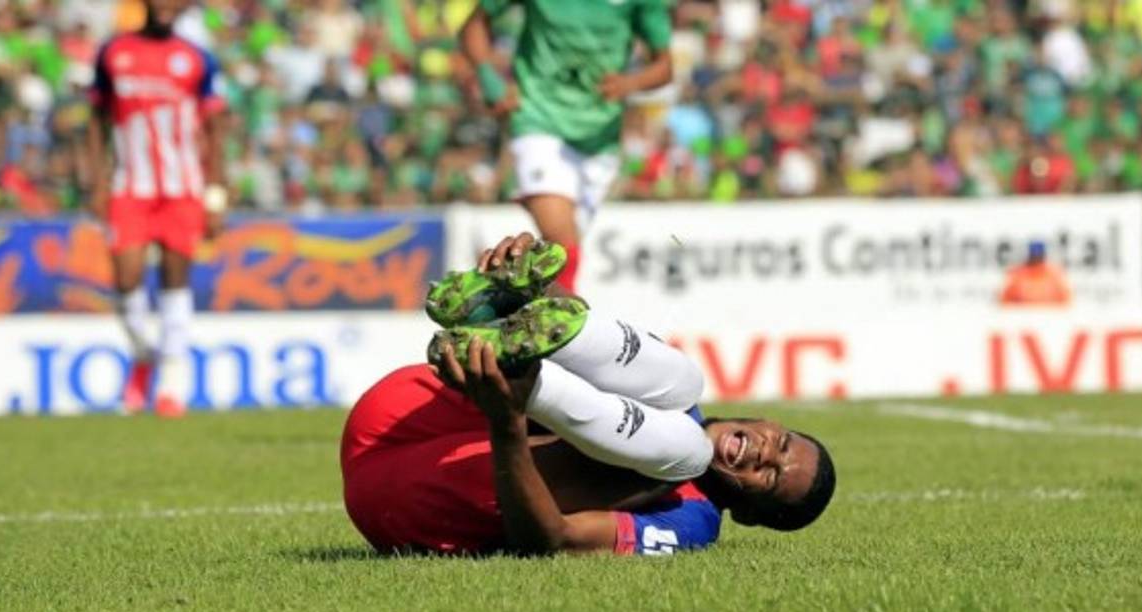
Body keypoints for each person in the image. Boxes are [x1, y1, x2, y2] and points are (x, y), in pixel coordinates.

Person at [340, 233, 836, 555]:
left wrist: (508, 425)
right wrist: (535, 281)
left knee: (680, 455)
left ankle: (528, 385)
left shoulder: (691, 523)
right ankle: (511, 307)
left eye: (769, 478)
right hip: (413, 406)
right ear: (772, 423)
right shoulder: (669, 388)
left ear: (747, 513)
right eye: (785, 443)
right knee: (682, 386)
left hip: (412, 501)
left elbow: (553, 540)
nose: (767, 454)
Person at [459, 0, 673, 291]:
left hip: (600, 137)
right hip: (536, 119)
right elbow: (474, 25)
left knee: (560, 252)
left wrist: (629, 83)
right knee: (561, 243)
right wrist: (488, 78)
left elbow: (665, 66)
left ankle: (517, 305)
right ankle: (563, 322)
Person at [86, 0, 227, 417]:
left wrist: (215, 192)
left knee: (174, 278)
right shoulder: (114, 53)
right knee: (125, 279)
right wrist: (96, 179)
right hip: (130, 185)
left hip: (182, 188)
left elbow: (215, 129)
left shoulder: (196, 58)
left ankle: (172, 384)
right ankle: (145, 353)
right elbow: (96, 119)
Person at [999, 240, 1071, 305]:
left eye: (1038, 257)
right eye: (1034, 257)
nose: (1036, 260)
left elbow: (1065, 299)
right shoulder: (1018, 274)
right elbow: (1004, 300)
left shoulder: (1054, 274)